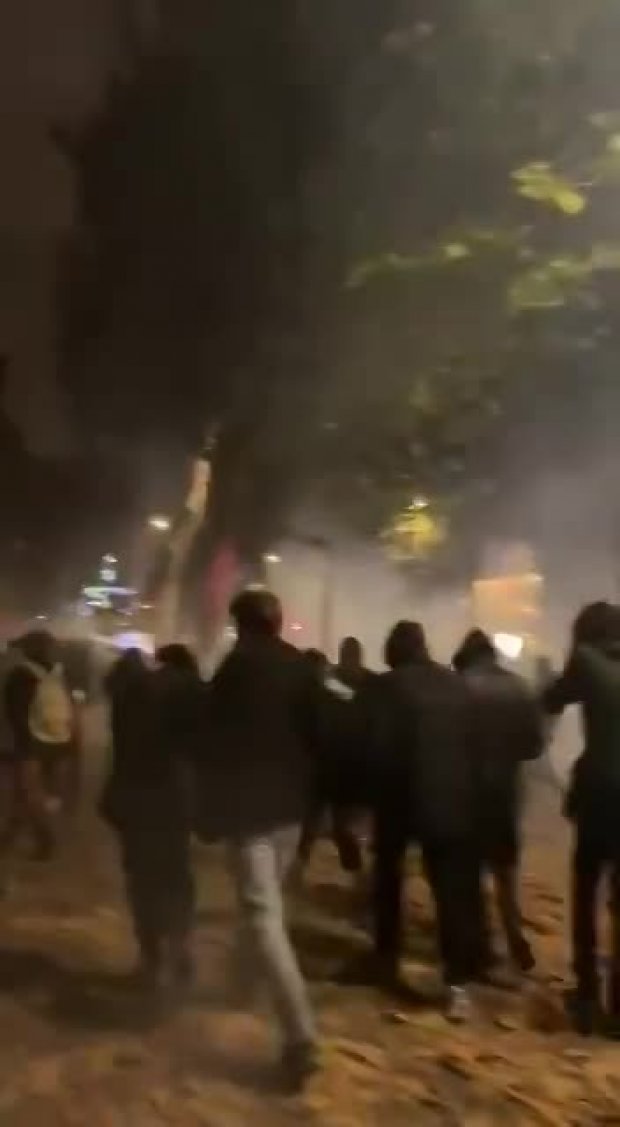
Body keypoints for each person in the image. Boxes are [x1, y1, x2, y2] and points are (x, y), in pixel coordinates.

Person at [199, 588, 318, 1088]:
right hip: (293, 810)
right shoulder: (302, 667)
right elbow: (318, 735)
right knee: (265, 910)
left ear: (241, 624)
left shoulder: (234, 670)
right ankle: (242, 983)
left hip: (251, 812)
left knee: (264, 916)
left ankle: (300, 1036)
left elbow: (211, 742)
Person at [368, 621, 485, 1020]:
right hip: (453, 800)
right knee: (451, 894)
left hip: (400, 800)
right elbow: (476, 746)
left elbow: (376, 747)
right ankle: (457, 986)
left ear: (394, 652)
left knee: (388, 880)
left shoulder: (387, 687)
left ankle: (386, 960)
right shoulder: (457, 685)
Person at [102, 644, 201, 992]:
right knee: (176, 873)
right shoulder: (195, 690)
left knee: (142, 877)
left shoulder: (136, 688)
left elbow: (121, 745)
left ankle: (152, 960)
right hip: (178, 796)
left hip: (137, 795)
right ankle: (181, 947)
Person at [544, 601, 620, 1034]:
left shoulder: (587, 661)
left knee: (586, 893)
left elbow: (553, 698)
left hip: (601, 796)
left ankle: (587, 995)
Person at [453, 629, 544, 974]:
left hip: (468, 792)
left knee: (471, 874)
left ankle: (482, 948)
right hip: (506, 793)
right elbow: (534, 747)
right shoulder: (520, 688)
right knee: (506, 874)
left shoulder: (460, 687)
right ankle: (515, 940)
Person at [3, 630, 75, 860]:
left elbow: (16, 713)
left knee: (29, 792)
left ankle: (45, 841)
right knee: (23, 793)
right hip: (57, 739)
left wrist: (14, 744)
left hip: (30, 743)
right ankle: (7, 839)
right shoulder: (58, 672)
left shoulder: (21, 674)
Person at [296, 648, 365, 880]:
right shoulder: (329, 689)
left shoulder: (312, 691)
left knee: (312, 825)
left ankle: (296, 871)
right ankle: (356, 872)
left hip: (321, 768)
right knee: (336, 826)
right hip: (334, 767)